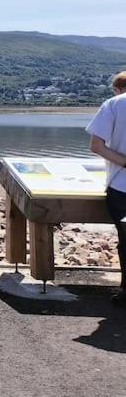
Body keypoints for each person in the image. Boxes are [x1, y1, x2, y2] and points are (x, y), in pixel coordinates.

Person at [87, 71, 126, 306]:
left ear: (117, 88)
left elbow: (96, 146)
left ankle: (125, 291)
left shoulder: (113, 104)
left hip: (121, 186)